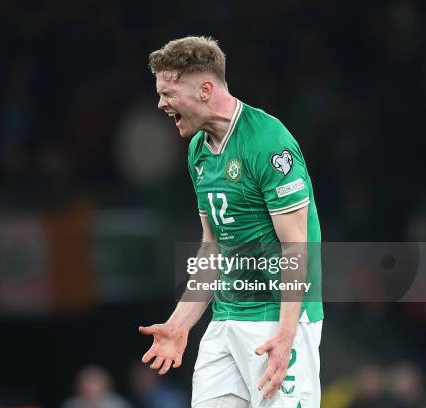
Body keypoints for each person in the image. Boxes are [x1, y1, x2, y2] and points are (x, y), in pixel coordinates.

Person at [138, 36, 323, 408]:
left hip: (276, 319)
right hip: (226, 317)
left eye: (169, 93)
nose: (160, 103)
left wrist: (287, 337)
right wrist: (179, 324)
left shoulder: (268, 142)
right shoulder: (197, 151)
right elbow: (213, 247)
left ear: (205, 89)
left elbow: (295, 247)